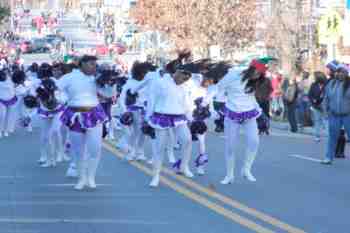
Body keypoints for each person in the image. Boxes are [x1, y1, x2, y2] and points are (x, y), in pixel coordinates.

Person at [207, 59, 267, 184]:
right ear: (251, 69)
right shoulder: (233, 75)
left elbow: (251, 97)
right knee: (230, 146)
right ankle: (229, 175)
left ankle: (246, 169)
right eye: (257, 72)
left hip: (249, 113)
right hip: (232, 113)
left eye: (260, 74)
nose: (257, 76)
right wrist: (209, 104)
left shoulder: (254, 81)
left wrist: (260, 111)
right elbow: (217, 88)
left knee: (254, 141)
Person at [58, 55, 107, 190]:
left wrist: (108, 84)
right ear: (82, 64)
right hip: (75, 114)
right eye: (91, 64)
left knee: (95, 148)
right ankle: (81, 178)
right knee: (78, 150)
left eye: (95, 64)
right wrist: (63, 99)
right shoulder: (69, 77)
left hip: (94, 114)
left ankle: (91, 177)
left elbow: (108, 94)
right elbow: (57, 90)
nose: (94, 67)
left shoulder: (96, 78)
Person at [322, 65, 350, 165]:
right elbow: (326, 99)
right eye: (339, 72)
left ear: (346, 73)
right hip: (334, 115)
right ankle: (328, 157)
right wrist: (325, 111)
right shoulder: (331, 84)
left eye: (343, 72)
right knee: (332, 137)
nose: (340, 74)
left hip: (347, 115)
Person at [308, 71, 327, 142]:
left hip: (324, 106)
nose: (314, 78)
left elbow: (327, 95)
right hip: (316, 106)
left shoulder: (326, 84)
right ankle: (317, 136)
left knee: (325, 121)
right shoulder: (313, 85)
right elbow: (309, 94)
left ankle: (329, 136)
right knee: (317, 121)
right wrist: (313, 100)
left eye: (315, 77)